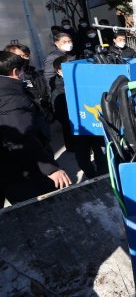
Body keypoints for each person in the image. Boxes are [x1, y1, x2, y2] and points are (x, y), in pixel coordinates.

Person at [0, 52, 71, 204]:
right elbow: (23, 137)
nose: (24, 73)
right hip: (25, 170)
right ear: (15, 72)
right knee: (44, 209)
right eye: (22, 69)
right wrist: (51, 169)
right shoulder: (12, 98)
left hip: (10, 168)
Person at [50, 55, 108, 179]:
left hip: (94, 127)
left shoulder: (85, 82)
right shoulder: (58, 91)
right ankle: (92, 176)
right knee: (83, 158)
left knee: (101, 154)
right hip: (77, 131)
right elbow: (60, 114)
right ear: (59, 71)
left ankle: (103, 175)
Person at [4, 44, 52, 120]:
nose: (24, 59)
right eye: (20, 56)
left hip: (42, 113)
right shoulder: (8, 78)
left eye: (26, 55)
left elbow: (44, 90)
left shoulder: (34, 73)